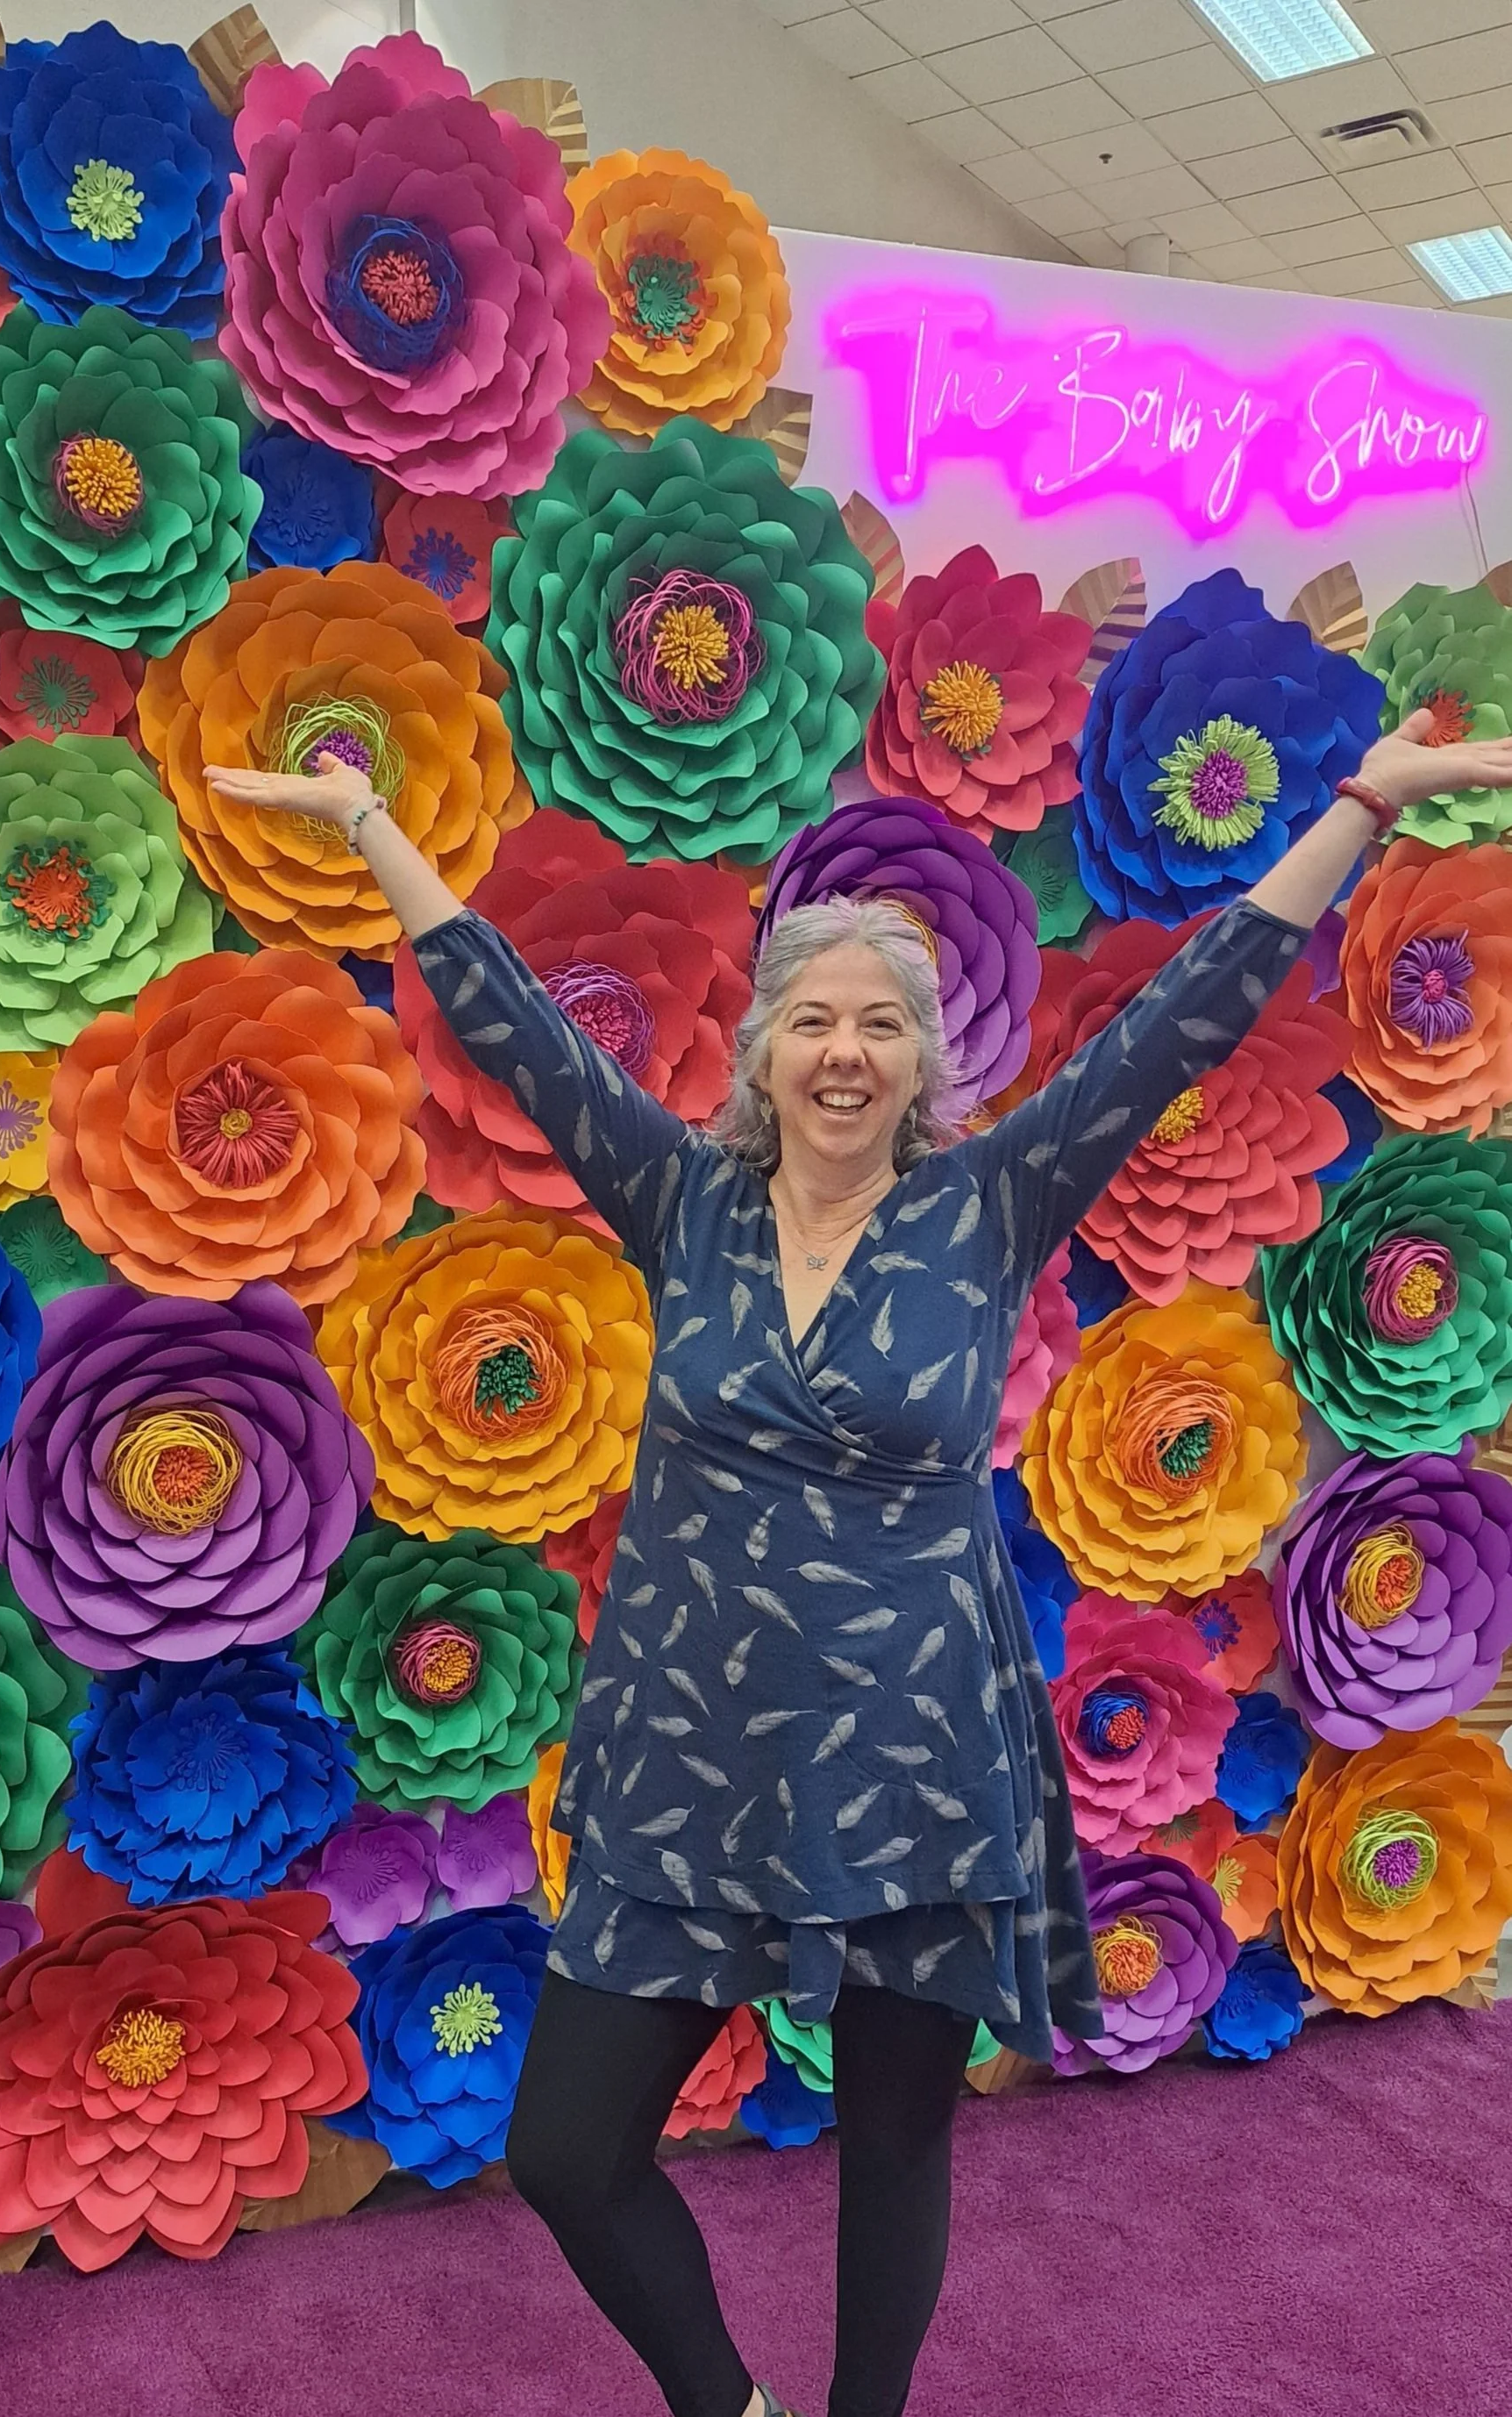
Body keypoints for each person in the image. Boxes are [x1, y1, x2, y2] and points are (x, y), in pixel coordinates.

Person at [205, 709, 1512, 2417]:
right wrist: (372, 827)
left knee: (894, 2141)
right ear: (762, 1053)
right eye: (811, 1018)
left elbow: (1193, 1008)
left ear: (921, 1058)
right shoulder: (679, 1199)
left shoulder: (990, 1206)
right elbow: (510, 1020)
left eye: (879, 1022)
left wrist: (1357, 805)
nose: (843, 1049)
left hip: (918, 1756)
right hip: (692, 1750)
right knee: (570, 2146)